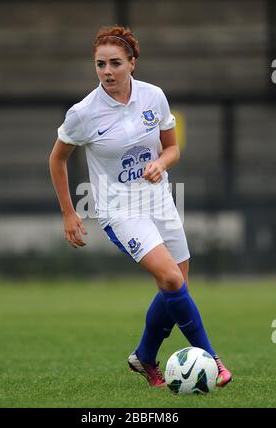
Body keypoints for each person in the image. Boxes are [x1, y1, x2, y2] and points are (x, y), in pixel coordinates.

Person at [49, 25, 232, 388]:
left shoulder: (154, 97)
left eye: (115, 63)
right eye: (100, 64)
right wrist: (69, 212)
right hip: (120, 210)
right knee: (171, 279)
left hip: (160, 200)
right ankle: (213, 359)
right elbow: (57, 160)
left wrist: (161, 164)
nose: (107, 71)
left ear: (132, 63)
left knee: (177, 287)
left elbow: (172, 148)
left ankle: (145, 357)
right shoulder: (83, 112)